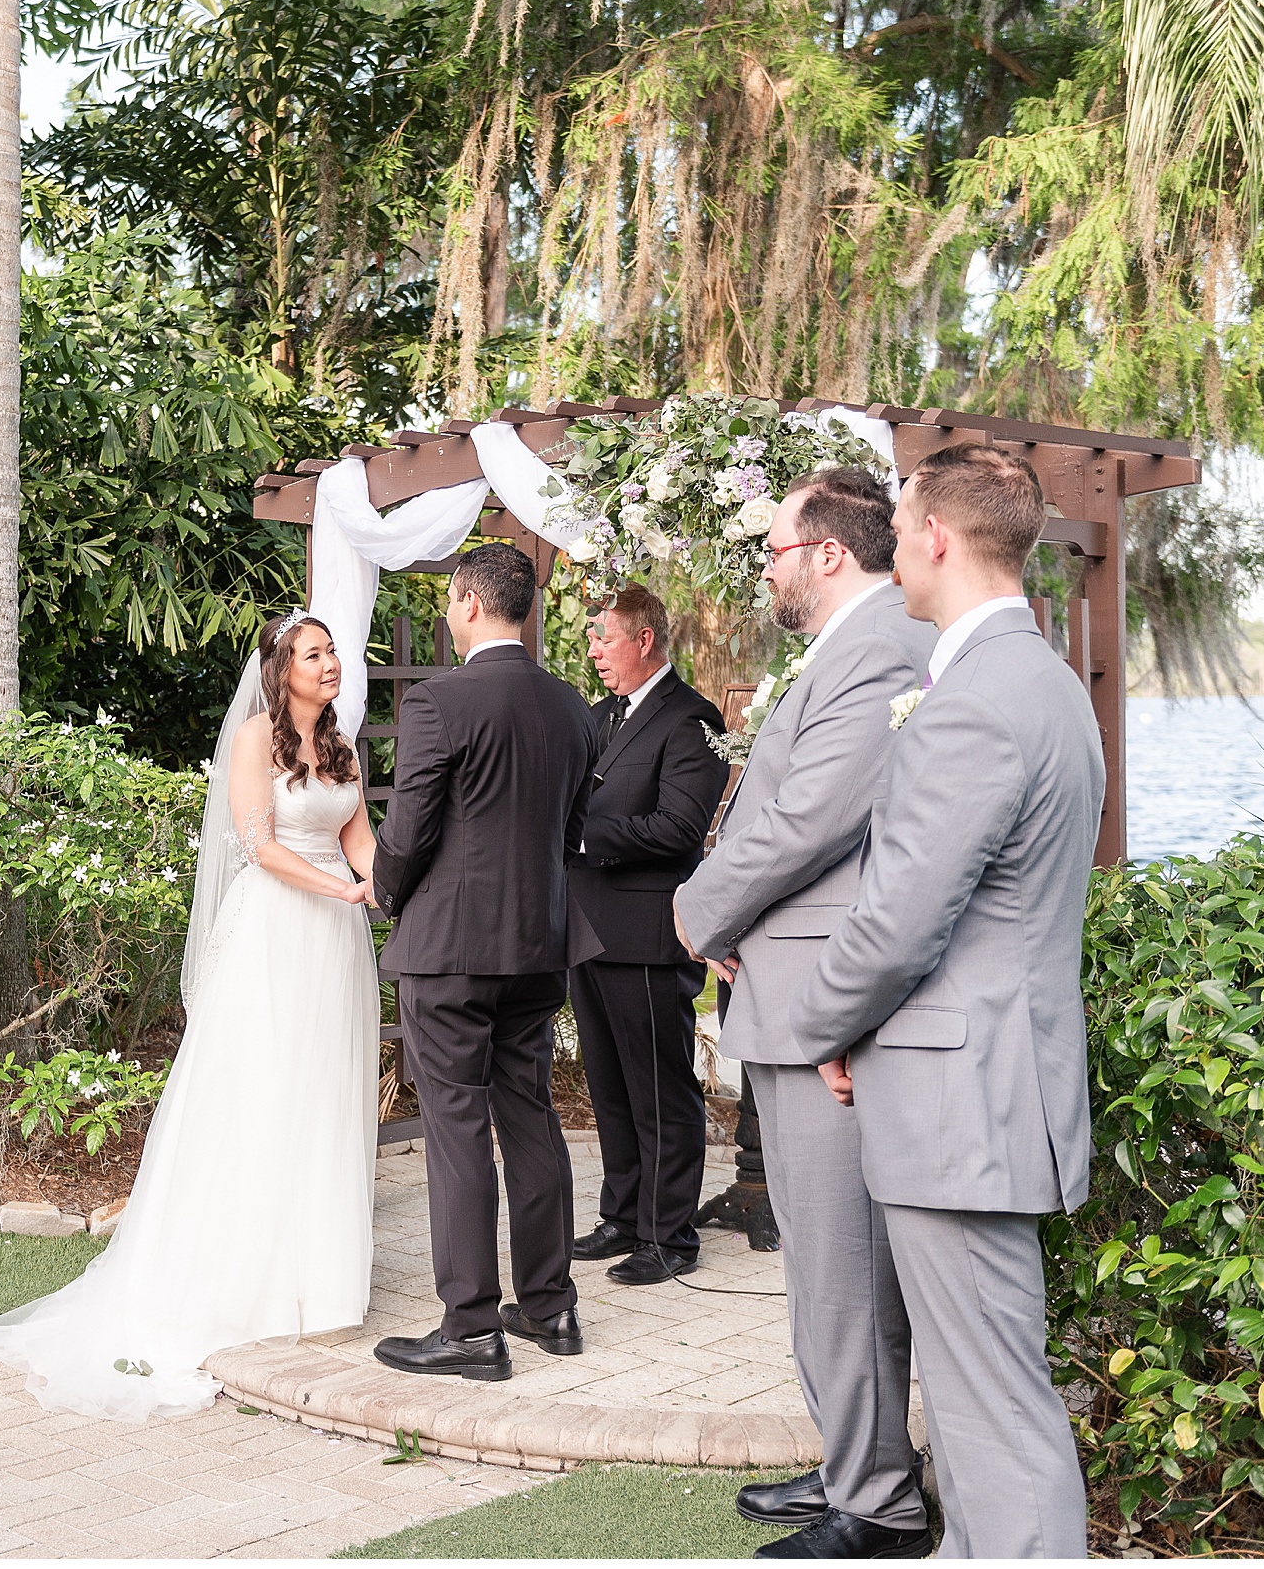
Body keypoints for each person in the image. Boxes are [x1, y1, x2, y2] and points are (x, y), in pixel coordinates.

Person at [789, 443, 1103, 1558]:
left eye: (903, 519)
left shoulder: (974, 700)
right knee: (980, 1413)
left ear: (933, 536)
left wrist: (823, 1024)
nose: (895, 545)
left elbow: (898, 917)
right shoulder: (1046, 680)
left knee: (992, 1411)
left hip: (960, 1102)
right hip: (990, 1085)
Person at [0, 612, 381, 1420]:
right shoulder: (256, 739)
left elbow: (359, 833)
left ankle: (319, 1284)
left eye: (332, 652)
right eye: (314, 653)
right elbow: (258, 845)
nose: (331, 663)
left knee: (324, 1093)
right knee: (260, 1088)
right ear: (280, 668)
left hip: (336, 940)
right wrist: (339, 888)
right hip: (277, 929)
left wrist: (381, 884)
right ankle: (243, 1276)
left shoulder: (340, 743)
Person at [673, 467, 938, 1559]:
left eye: (774, 548)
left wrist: (698, 908)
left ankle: (880, 1504)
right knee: (821, 1257)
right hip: (783, 987)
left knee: (843, 1256)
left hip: (836, 1004)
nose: (765, 566)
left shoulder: (885, 647)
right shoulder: (844, 649)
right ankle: (853, 1454)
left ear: (830, 552)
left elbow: (810, 820)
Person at [370, 543, 597, 1379]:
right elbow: (571, 825)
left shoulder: (440, 703)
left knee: (457, 1125)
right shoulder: (574, 706)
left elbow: (409, 827)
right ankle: (550, 1307)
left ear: (466, 602)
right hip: (540, 943)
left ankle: (469, 1325)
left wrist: (382, 890)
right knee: (530, 1115)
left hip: (453, 949)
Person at [564, 585, 727, 1286]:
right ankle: (623, 1216)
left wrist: (578, 833)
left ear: (645, 641)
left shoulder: (692, 720)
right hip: (588, 930)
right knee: (609, 1087)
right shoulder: (599, 717)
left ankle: (671, 1236)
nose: (594, 650)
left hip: (651, 934)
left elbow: (679, 829)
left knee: (661, 1091)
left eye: (605, 638)